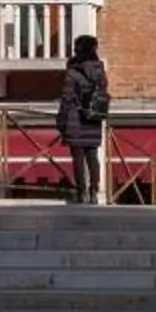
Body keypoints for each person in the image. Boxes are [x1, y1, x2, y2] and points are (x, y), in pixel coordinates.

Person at [57, 35, 110, 205]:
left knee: (78, 156)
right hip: (94, 117)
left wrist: (61, 120)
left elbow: (67, 98)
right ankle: (94, 191)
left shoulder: (73, 71)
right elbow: (103, 89)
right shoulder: (100, 70)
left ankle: (81, 192)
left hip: (75, 117)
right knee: (92, 155)